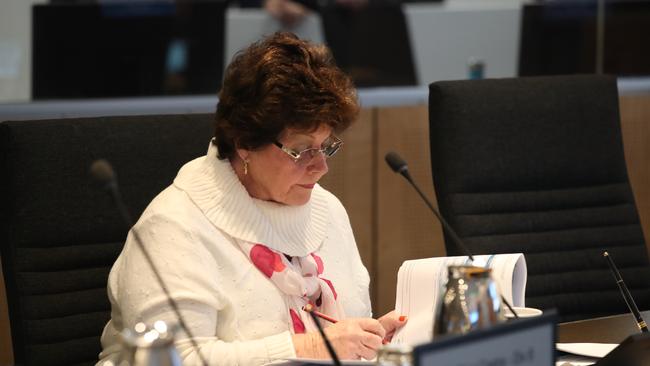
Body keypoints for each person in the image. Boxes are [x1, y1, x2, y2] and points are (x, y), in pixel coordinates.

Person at [97, 32, 406, 366]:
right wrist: (311, 347)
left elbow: (347, 328)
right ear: (244, 142)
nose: (321, 167)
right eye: (301, 150)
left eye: (327, 145)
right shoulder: (173, 227)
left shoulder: (327, 209)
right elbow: (175, 359)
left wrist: (370, 342)